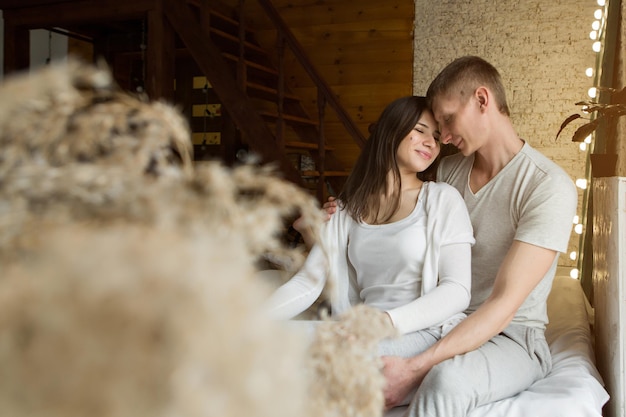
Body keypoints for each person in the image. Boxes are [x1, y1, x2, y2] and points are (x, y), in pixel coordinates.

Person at [323, 56, 578, 416]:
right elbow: (394, 215)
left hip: (511, 337)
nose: (441, 136)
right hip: (440, 323)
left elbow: (503, 303)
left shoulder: (548, 186)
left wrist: (415, 369)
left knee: (447, 382)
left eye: (446, 119)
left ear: (481, 100)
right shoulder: (448, 169)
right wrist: (337, 218)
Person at [265, 96, 475, 382]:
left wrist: (384, 323)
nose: (431, 142)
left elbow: (457, 290)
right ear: (392, 129)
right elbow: (308, 282)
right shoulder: (347, 208)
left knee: (316, 358)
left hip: (419, 333)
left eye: (437, 137)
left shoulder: (442, 200)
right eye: (421, 130)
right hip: (356, 330)